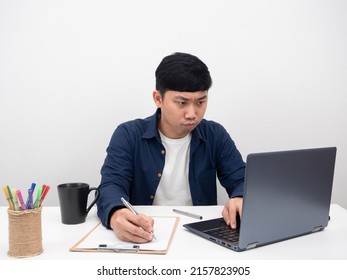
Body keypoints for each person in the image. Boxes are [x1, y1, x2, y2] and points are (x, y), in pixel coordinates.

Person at [97, 52, 246, 243]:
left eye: (201, 102)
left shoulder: (214, 135)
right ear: (158, 98)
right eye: (182, 103)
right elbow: (111, 185)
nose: (192, 114)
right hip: (147, 233)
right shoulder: (128, 135)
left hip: (199, 237)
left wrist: (240, 197)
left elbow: (242, 179)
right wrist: (116, 214)